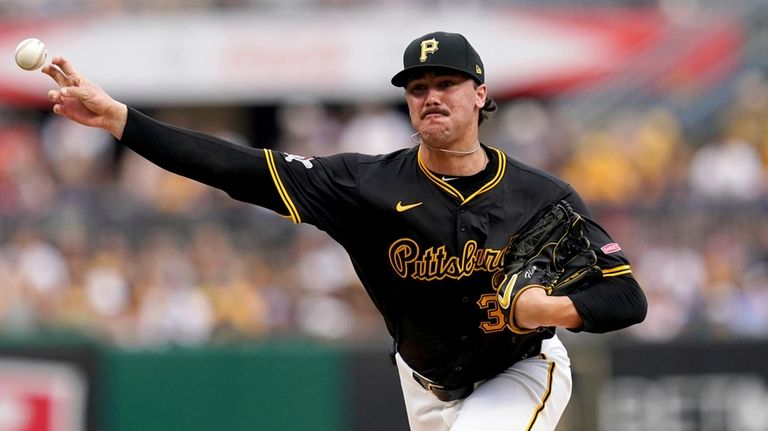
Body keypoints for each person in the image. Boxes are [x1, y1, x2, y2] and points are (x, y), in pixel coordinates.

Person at [43, 31, 646, 431]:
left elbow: (626, 298)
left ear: (480, 94)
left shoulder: (541, 197)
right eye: (417, 88)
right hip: (424, 382)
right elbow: (236, 168)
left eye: (445, 84)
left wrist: (547, 308)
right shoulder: (364, 186)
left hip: (520, 368)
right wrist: (122, 120)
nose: (430, 97)